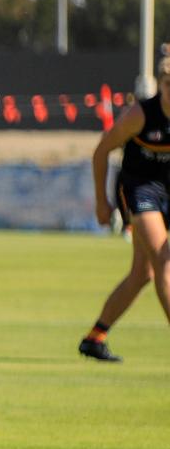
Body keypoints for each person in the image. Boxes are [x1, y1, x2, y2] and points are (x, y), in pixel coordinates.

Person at [77, 55, 170, 361]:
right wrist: (102, 202)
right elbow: (101, 151)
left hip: (166, 190)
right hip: (137, 189)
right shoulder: (140, 115)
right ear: (160, 85)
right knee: (163, 262)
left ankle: (95, 337)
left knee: (142, 273)